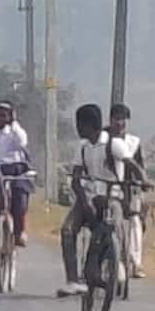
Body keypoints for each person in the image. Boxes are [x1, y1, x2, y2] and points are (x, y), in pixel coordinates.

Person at [58, 103, 110, 298]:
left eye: (80, 124)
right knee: (67, 230)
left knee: (107, 232)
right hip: (87, 196)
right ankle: (73, 280)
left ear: (90, 125)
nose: (77, 129)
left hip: (109, 196)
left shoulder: (111, 144)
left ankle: (113, 264)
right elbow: (76, 179)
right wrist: (84, 201)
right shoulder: (82, 147)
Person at [108, 103, 148, 278]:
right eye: (117, 119)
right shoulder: (103, 139)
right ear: (110, 120)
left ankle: (135, 262)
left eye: (123, 119)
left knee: (135, 222)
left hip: (129, 188)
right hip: (107, 187)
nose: (120, 123)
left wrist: (141, 183)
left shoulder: (134, 142)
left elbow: (139, 166)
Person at [0, 99, 33, 247]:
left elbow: (22, 141)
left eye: (4, 115)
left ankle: (20, 232)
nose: (0, 119)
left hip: (14, 171)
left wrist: (14, 124)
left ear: (10, 116)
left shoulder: (15, 132)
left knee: (20, 199)